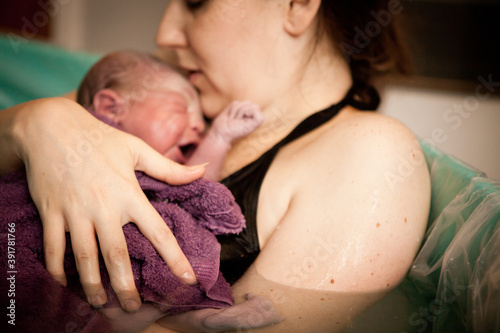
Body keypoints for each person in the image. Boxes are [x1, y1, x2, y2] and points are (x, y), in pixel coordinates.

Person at [0, 0, 431, 332]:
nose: (165, 32)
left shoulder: (369, 155)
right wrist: (34, 122)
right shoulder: (169, 80)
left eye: (195, 0)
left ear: (297, 5)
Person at [77, 50, 263, 181]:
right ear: (111, 109)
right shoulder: (76, 158)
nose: (199, 126)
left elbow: (195, 189)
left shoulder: (164, 182)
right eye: (180, 107)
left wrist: (219, 138)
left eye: (202, 119)